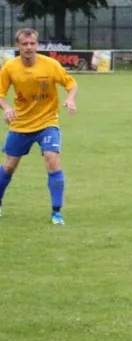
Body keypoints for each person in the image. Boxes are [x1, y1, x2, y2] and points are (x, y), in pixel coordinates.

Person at [0, 28, 77, 224]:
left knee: (52, 160)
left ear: (37, 45)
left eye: (32, 43)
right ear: (17, 46)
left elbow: (71, 83)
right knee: (9, 167)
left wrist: (70, 98)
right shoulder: (9, 67)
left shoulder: (50, 65)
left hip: (47, 122)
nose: (28, 47)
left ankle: (56, 212)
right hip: (21, 124)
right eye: (24, 44)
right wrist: (7, 108)